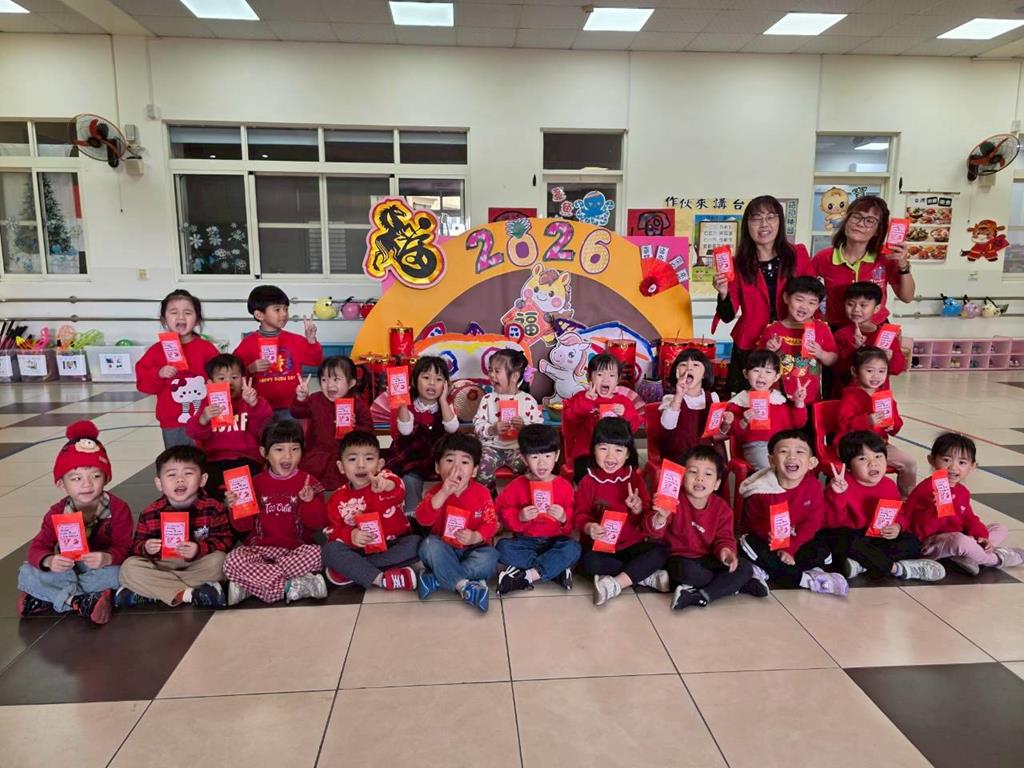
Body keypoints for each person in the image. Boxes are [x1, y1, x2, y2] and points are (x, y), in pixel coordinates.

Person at [17, 422, 131, 624]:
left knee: (123, 571)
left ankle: (49, 598)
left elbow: (124, 546)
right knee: (27, 571)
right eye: (76, 478)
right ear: (61, 484)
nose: (87, 484)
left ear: (106, 478)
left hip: (98, 568)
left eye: (95, 476)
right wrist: (49, 561)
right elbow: (37, 548)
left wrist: (108, 557)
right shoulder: (56, 512)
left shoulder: (118, 508)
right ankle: (80, 600)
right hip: (66, 568)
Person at [711, 195, 814, 394]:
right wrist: (723, 293)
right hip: (751, 344)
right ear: (747, 225)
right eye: (756, 218)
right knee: (745, 401)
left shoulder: (797, 254)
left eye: (770, 217)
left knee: (792, 398)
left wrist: (813, 332)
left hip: (792, 340)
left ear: (780, 221)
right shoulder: (738, 264)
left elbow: (812, 296)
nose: (764, 224)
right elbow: (728, 315)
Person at [647, 446, 769, 610]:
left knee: (745, 567)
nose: (700, 478)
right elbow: (654, 534)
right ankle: (734, 586)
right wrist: (661, 517)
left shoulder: (722, 508)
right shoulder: (672, 500)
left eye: (708, 474)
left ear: (717, 483)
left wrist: (726, 552)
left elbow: (724, 538)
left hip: (708, 557)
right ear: (682, 476)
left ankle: (700, 596)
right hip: (679, 558)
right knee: (685, 572)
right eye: (693, 472)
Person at [222, 421, 327, 605]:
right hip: (258, 551)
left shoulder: (308, 481)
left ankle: (250, 585)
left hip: (296, 551)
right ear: (264, 452)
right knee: (232, 560)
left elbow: (317, 524)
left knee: (319, 554)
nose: (288, 456)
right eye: (279, 449)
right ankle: (291, 586)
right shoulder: (252, 483)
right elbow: (243, 527)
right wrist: (236, 506)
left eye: (295, 449)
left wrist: (309, 502)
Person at [116, 445, 233, 608]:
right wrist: (147, 547)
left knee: (222, 561)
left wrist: (199, 549)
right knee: (129, 568)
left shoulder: (214, 508)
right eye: (171, 474)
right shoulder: (151, 512)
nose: (180, 480)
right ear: (159, 483)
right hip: (163, 565)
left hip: (198, 564)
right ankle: (190, 594)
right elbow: (136, 546)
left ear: (202, 479)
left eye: (188, 473)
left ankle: (155, 592)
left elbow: (226, 540)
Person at [821, 431, 944, 582]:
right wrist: (838, 495)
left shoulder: (889, 485)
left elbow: (900, 512)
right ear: (848, 466)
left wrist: (897, 526)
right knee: (842, 540)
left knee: (912, 542)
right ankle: (898, 569)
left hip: (876, 537)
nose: (873, 463)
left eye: (878, 456)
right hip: (851, 534)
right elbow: (833, 523)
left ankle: (862, 563)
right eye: (862, 458)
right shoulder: (840, 486)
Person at [738, 429, 848, 596]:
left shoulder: (814, 486)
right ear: (771, 461)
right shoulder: (761, 490)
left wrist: (791, 548)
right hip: (769, 541)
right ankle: (807, 580)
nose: (791, 457)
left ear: (811, 462)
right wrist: (772, 538)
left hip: (797, 540)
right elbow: (755, 522)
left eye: (799, 452)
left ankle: (767, 572)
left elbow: (813, 522)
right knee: (747, 545)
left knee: (822, 551)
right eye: (783, 451)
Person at [574, 418, 669, 606]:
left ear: (627, 454)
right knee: (587, 561)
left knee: (662, 552)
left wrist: (639, 508)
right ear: (593, 450)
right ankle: (642, 576)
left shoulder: (634, 479)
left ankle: (615, 583)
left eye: (618, 450)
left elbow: (646, 517)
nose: (610, 456)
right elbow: (580, 514)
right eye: (603, 448)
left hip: (632, 544)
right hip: (601, 548)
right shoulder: (588, 481)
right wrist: (589, 527)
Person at [905, 433, 1024, 575]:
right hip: (931, 543)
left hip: (959, 536)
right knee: (960, 541)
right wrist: (936, 512)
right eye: (946, 460)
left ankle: (969, 555)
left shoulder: (962, 491)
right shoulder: (925, 489)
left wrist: (982, 537)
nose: (953, 467)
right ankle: (996, 559)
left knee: (999, 528)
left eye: (962, 463)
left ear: (972, 467)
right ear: (932, 460)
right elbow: (916, 530)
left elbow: (969, 518)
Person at [322, 431, 420, 591]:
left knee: (416, 544)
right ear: (341, 466)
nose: (361, 465)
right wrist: (350, 535)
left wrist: (386, 485)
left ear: (379, 464)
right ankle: (381, 579)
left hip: (392, 545)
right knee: (329, 551)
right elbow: (331, 531)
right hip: (358, 550)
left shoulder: (385, 479)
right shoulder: (337, 498)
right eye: (352, 459)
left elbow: (398, 489)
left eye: (369, 459)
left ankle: (350, 572)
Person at [415, 433, 499, 612]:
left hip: (472, 550)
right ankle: (464, 585)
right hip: (443, 549)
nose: (456, 468)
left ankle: (436, 578)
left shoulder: (482, 493)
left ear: (474, 471)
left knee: (491, 557)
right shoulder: (434, 493)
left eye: (465, 462)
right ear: (438, 467)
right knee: (429, 545)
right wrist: (444, 493)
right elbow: (423, 519)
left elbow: (491, 524)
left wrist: (475, 536)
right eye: (450, 460)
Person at [494, 424, 579, 594]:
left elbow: (573, 519)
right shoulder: (517, 485)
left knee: (573, 548)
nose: (542, 463)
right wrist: (519, 516)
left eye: (547, 456)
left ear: (557, 456)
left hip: (554, 541)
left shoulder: (564, 486)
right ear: (524, 459)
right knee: (502, 548)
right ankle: (555, 570)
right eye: (534, 457)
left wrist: (564, 517)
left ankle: (526, 576)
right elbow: (501, 511)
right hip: (525, 541)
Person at [812, 195, 915, 330]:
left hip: (876, 329)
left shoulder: (886, 258)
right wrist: (818, 320)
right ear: (846, 220)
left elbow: (907, 297)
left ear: (878, 230)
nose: (860, 224)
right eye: (856, 217)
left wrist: (903, 265)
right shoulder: (824, 257)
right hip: (838, 329)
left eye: (870, 221)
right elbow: (805, 292)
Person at [135, 289, 219, 448]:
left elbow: (221, 377)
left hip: (205, 418)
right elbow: (143, 383)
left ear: (197, 319)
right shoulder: (156, 351)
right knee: (178, 458)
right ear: (164, 319)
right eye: (174, 312)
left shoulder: (207, 349)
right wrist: (158, 374)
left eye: (188, 313)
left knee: (206, 457)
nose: (181, 317)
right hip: (173, 422)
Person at [185, 353, 273, 502]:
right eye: (221, 378)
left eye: (235, 377)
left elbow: (265, 421)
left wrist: (254, 404)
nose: (229, 382)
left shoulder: (250, 401)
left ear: (243, 379)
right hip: (214, 460)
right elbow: (193, 433)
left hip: (247, 458)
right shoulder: (207, 406)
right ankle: (217, 510)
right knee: (206, 485)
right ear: (210, 383)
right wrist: (203, 419)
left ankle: (244, 512)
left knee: (249, 489)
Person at [233, 284, 324, 420]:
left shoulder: (295, 340)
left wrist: (311, 341)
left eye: (286, 309)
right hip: (259, 406)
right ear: (259, 315)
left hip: (291, 406)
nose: (284, 314)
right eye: (277, 309)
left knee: (292, 433)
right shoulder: (247, 344)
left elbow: (316, 360)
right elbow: (234, 375)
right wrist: (250, 368)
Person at [836, 347, 917, 497]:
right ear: (854, 371)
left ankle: (906, 499)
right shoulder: (850, 397)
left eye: (881, 371)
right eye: (869, 371)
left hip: (879, 446)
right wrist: (866, 421)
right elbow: (844, 425)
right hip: (854, 447)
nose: (876, 376)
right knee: (864, 468)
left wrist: (893, 425)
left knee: (909, 462)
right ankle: (855, 497)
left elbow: (896, 425)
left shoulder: (885, 397)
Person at [387, 355, 460, 517]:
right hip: (412, 456)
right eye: (426, 378)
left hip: (439, 456)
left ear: (445, 385)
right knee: (410, 478)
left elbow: (452, 428)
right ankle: (412, 515)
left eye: (439, 379)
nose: (432, 383)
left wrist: (443, 400)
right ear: (414, 381)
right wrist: (403, 400)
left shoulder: (446, 405)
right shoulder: (409, 405)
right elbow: (405, 430)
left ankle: (446, 514)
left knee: (454, 474)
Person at [291, 355, 374, 491]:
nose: (329, 385)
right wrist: (301, 398)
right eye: (324, 379)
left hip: (347, 459)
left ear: (351, 383)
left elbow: (369, 434)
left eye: (336, 379)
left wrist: (355, 428)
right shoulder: (315, 399)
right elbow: (297, 412)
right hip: (317, 458)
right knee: (312, 488)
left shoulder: (359, 405)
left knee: (348, 488)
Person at [756, 275, 837, 406]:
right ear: (786, 298)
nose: (804, 306)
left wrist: (821, 353)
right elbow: (759, 362)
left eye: (812, 303)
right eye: (799, 300)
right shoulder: (772, 329)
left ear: (818, 305)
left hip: (810, 398)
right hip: (777, 398)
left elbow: (833, 359)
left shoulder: (821, 328)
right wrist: (769, 351)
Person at [563, 353, 642, 482]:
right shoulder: (581, 397)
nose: (606, 380)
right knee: (585, 476)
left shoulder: (623, 402)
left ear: (618, 379)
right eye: (600, 375)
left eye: (611, 375)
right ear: (589, 377)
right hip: (586, 452)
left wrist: (624, 414)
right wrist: (586, 401)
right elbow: (569, 418)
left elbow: (634, 426)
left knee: (630, 472)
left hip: (616, 453)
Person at [725, 350, 808, 470]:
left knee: (801, 465)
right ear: (745, 373)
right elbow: (732, 432)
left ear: (776, 377)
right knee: (772, 468)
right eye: (756, 370)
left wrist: (799, 402)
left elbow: (798, 423)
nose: (761, 376)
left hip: (785, 444)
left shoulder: (779, 399)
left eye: (768, 372)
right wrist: (744, 421)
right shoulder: (738, 402)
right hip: (757, 446)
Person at [473, 348, 544, 488]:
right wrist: (492, 429)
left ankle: (520, 497)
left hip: (518, 448)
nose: (491, 375)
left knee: (530, 467)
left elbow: (539, 431)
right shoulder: (488, 399)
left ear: (514, 376)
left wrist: (524, 428)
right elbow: (477, 424)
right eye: (490, 370)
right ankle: (489, 498)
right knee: (482, 467)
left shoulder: (527, 400)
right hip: (490, 448)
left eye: (497, 371)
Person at [656, 349, 731, 465]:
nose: (689, 368)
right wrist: (679, 395)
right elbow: (668, 424)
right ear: (676, 372)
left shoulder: (713, 398)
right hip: (677, 458)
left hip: (703, 459)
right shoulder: (671, 399)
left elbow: (716, 433)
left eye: (696, 365)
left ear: (704, 374)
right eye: (683, 364)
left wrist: (726, 423)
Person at [832, 281, 906, 395]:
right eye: (850, 304)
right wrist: (854, 349)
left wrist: (890, 358)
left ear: (876, 308)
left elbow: (898, 369)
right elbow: (837, 368)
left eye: (863, 305)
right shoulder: (842, 334)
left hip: (879, 395)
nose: (856, 309)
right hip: (849, 395)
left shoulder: (887, 335)